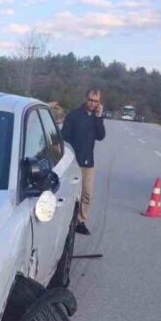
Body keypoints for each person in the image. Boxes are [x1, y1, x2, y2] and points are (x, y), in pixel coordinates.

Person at [61, 89, 107, 235]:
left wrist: (99, 118)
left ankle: (80, 221)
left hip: (88, 163)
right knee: (70, 194)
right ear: (86, 99)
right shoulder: (74, 116)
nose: (93, 103)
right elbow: (64, 138)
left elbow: (101, 136)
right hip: (73, 162)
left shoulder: (96, 117)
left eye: (96, 101)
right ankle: (66, 221)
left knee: (86, 194)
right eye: (90, 100)